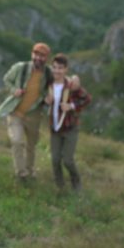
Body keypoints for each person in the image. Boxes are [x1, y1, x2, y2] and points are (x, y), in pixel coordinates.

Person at [0, 42, 52, 183]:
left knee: (31, 145)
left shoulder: (48, 73)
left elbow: (51, 89)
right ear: (32, 54)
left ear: (46, 58)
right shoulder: (21, 68)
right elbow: (7, 79)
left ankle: (30, 171)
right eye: (36, 55)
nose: (38, 58)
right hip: (15, 111)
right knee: (17, 141)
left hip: (34, 114)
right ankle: (21, 174)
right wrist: (14, 89)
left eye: (42, 56)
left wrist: (48, 98)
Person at [44, 54, 92, 193]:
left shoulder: (71, 85)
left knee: (68, 160)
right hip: (55, 127)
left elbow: (87, 99)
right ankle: (60, 187)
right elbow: (44, 99)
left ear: (66, 69)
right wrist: (46, 101)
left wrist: (71, 106)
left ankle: (76, 184)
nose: (57, 71)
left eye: (60, 68)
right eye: (54, 67)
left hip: (70, 127)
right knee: (55, 160)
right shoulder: (49, 84)